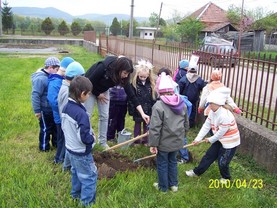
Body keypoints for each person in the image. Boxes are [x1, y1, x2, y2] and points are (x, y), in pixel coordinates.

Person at [84, 56, 150, 149]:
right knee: (87, 115)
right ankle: (88, 141)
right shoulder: (103, 68)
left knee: (104, 116)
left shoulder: (124, 77)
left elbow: (132, 96)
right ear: (119, 69)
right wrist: (98, 94)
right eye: (125, 73)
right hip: (90, 88)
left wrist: (142, 113)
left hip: (104, 89)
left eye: (128, 74)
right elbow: (89, 82)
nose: (126, 76)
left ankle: (102, 142)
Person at [185, 87, 241, 184]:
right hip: (219, 139)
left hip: (230, 142)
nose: (209, 105)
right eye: (209, 103)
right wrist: (197, 139)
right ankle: (196, 172)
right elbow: (206, 126)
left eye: (211, 103)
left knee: (223, 161)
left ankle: (226, 178)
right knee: (208, 156)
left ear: (218, 103)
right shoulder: (212, 112)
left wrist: (210, 139)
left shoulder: (225, 116)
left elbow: (221, 133)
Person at [149, 72, 189, 192]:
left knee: (162, 163)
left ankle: (163, 187)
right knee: (173, 162)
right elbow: (186, 124)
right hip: (177, 141)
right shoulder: (182, 104)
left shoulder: (158, 106)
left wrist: (153, 144)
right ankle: (174, 185)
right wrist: (183, 136)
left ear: (159, 92)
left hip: (163, 143)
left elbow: (155, 127)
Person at [61, 76, 97, 207]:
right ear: (82, 94)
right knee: (89, 177)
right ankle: (87, 203)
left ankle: (75, 195)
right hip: (81, 153)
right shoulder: (81, 114)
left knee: (76, 172)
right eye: (88, 94)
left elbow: (64, 127)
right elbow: (84, 137)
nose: (88, 96)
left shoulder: (66, 108)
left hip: (70, 149)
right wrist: (92, 139)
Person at [157, 67, 191, 163]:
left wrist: (154, 143)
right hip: (175, 119)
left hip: (174, 114)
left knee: (164, 161)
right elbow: (186, 123)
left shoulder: (160, 105)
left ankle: (184, 156)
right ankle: (182, 155)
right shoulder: (180, 102)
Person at [58, 61, 85, 171]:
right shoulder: (66, 91)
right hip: (69, 125)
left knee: (68, 146)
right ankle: (67, 166)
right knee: (69, 146)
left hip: (69, 124)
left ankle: (66, 166)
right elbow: (67, 112)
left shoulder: (68, 88)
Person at [47, 57, 75, 164]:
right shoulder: (55, 82)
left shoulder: (60, 80)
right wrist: (63, 110)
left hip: (62, 115)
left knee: (63, 138)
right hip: (60, 117)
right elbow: (53, 101)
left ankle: (62, 157)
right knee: (62, 139)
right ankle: (58, 159)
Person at [31, 56, 60, 151]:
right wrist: (37, 111)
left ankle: (56, 144)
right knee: (45, 129)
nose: (57, 71)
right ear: (50, 67)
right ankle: (44, 147)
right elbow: (35, 95)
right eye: (56, 69)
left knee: (55, 128)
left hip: (52, 109)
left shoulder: (51, 77)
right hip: (44, 110)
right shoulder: (41, 79)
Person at [129, 59, 156, 145]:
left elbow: (153, 98)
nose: (143, 79)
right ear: (138, 75)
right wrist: (132, 109)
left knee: (146, 125)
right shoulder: (134, 85)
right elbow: (132, 98)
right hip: (138, 109)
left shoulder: (150, 85)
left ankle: (145, 140)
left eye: (145, 77)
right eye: (141, 77)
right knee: (137, 124)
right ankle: (137, 140)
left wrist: (153, 108)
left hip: (148, 108)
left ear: (148, 75)